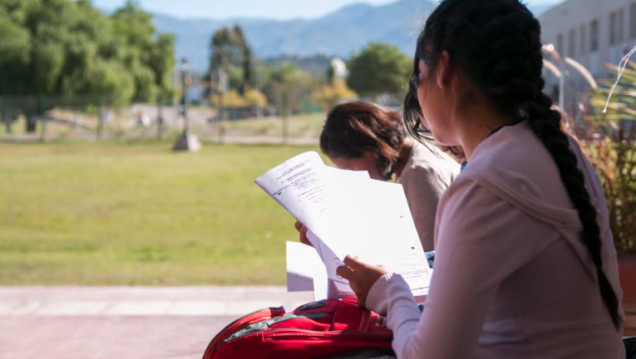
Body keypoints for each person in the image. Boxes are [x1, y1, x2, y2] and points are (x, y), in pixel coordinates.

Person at [335, 1, 626, 358]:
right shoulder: (555, 149)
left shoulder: (487, 182)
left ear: (443, 69)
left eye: (417, 77)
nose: (417, 94)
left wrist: (390, 292)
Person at [297, 101, 459, 252]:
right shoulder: (409, 163)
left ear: (371, 148)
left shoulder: (420, 173)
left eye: (351, 168)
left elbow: (428, 255)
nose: (353, 178)